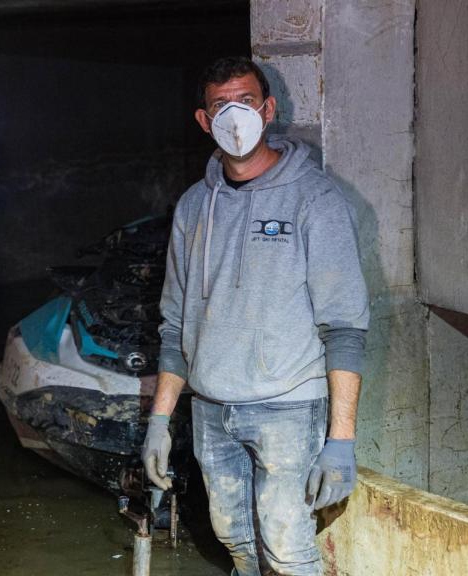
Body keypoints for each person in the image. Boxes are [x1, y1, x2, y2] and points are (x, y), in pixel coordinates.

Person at [142, 57, 369, 576]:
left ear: (267, 110)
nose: (234, 115)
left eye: (245, 102)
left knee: (289, 553)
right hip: (211, 409)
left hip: (288, 409)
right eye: (221, 105)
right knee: (238, 544)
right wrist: (159, 420)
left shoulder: (315, 199)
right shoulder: (194, 207)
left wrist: (340, 441)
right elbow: (175, 325)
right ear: (204, 120)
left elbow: (345, 329)